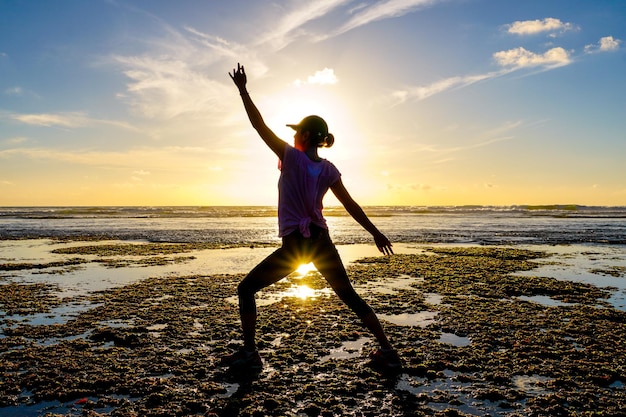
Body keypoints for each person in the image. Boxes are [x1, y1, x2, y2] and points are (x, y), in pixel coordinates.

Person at [221, 63, 400, 372]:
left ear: (304, 135)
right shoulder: (328, 168)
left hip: (296, 246)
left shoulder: (291, 157)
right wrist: (375, 232)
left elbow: (258, 125)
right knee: (349, 296)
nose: (291, 138)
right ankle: (388, 351)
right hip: (321, 241)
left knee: (246, 289)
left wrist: (243, 90)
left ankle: (251, 355)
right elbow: (351, 205)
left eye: (295, 133)